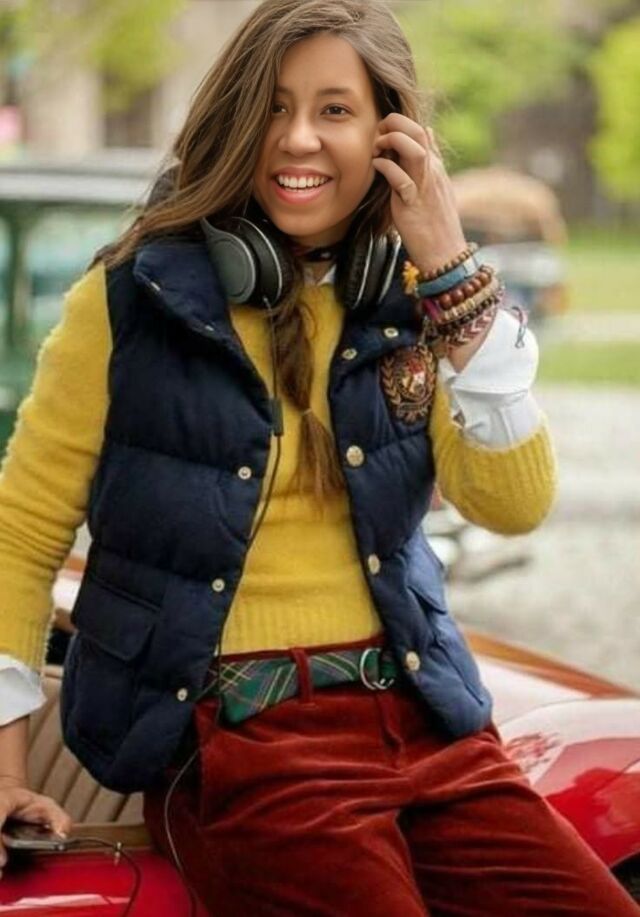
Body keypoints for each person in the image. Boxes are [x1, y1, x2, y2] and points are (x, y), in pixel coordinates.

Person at [0, 1, 638, 914]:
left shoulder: (422, 300)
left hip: (430, 729)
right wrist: (4, 770)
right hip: (241, 744)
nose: (297, 137)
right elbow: (19, 537)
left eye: (334, 109)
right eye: (272, 106)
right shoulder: (126, 304)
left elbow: (513, 502)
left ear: (390, 136)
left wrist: (450, 271)